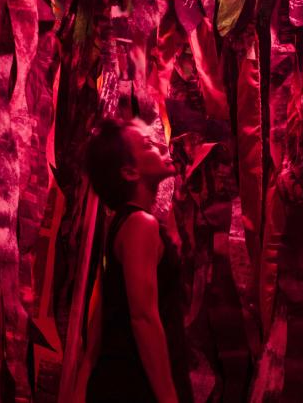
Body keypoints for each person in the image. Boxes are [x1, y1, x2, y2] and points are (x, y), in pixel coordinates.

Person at [76, 117, 190, 403]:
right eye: (148, 144)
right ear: (129, 171)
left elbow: (103, 315)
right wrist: (168, 397)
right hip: (135, 383)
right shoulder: (140, 224)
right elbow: (143, 316)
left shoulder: (122, 224)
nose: (160, 147)